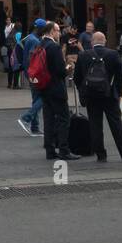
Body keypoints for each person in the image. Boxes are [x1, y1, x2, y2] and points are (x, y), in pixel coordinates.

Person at [74, 31, 122, 162]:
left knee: (95, 125)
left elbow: (77, 78)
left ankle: (101, 154)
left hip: (91, 96)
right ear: (104, 41)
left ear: (92, 42)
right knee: (116, 125)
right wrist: (118, 93)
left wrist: (83, 91)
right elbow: (121, 76)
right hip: (109, 95)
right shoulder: (113, 54)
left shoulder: (83, 55)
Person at [36, 20, 80, 161]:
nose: (59, 33)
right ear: (51, 32)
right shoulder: (54, 47)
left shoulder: (40, 44)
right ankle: (64, 150)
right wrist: (69, 67)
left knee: (48, 119)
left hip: (44, 88)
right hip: (56, 88)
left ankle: (49, 149)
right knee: (63, 119)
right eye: (57, 31)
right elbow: (60, 71)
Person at [17, 19, 46, 137]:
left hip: (29, 72)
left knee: (36, 98)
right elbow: (32, 57)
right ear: (39, 28)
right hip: (34, 74)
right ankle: (27, 117)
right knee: (44, 96)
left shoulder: (30, 38)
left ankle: (35, 127)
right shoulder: (35, 41)